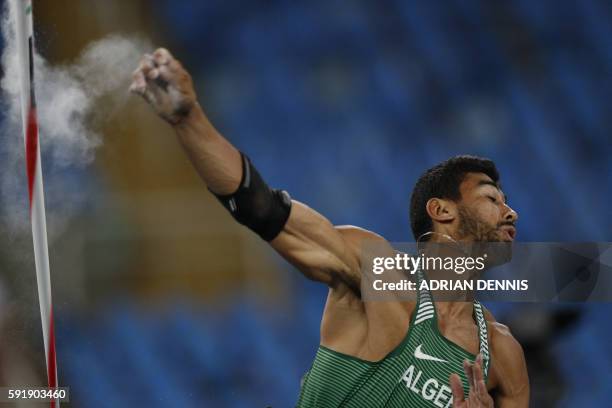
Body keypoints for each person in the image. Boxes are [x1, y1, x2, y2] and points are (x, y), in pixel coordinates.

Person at [130, 48, 529, 407]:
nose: (510, 213)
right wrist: (189, 119)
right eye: (492, 199)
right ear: (441, 211)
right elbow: (263, 209)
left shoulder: (502, 356)